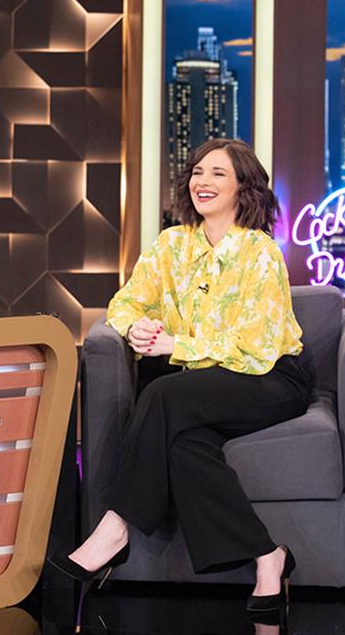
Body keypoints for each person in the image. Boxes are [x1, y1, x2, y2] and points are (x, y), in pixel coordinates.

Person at [48, 138, 314, 614]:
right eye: (197, 172)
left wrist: (177, 345)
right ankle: (268, 557)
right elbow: (124, 304)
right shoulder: (172, 244)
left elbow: (256, 347)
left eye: (218, 174)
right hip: (207, 386)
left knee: (163, 394)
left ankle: (115, 527)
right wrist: (137, 327)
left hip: (272, 378)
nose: (202, 182)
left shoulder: (260, 252)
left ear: (244, 188)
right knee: (183, 443)